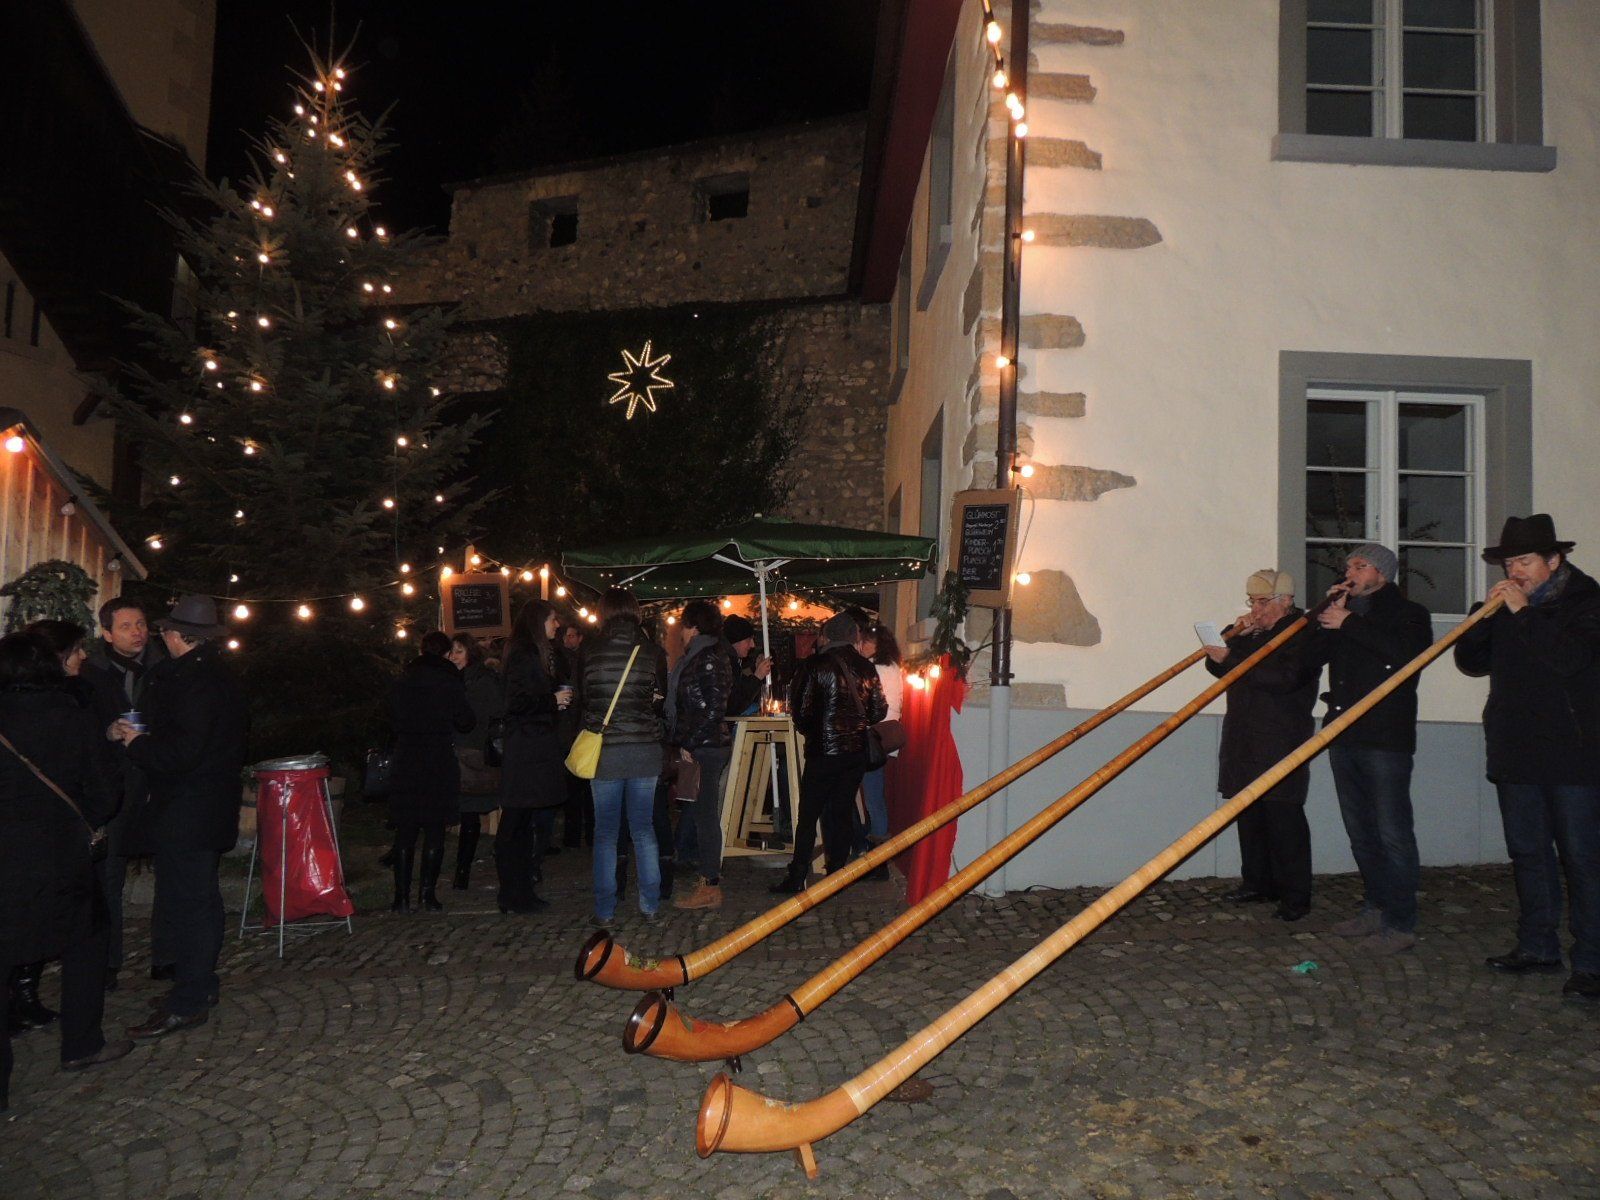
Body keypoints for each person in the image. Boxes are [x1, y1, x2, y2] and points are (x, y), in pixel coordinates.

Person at [1453, 514, 1600, 1001]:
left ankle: (1593, 962)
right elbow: (1471, 663)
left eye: (1524, 561)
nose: (1515, 571)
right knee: (1528, 852)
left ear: (1553, 560)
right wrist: (1481, 620)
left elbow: (1568, 660)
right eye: (1509, 563)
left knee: (1582, 858)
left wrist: (1522, 614)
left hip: (1574, 754)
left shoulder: (1587, 603)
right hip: (1516, 748)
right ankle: (1538, 945)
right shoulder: (1510, 607)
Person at [0, 632, 130, 1111]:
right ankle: (81, 1043)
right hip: (59, 856)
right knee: (87, 942)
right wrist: (84, 822)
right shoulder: (70, 716)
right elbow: (105, 791)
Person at [113, 596, 248, 1039]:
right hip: (197, 809)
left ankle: (189, 999)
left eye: (164, 630)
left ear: (176, 635)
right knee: (195, 901)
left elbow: (183, 752)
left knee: (192, 905)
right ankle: (198, 985)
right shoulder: (209, 674)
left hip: (190, 811)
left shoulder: (196, 681)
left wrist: (138, 744)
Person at [1311, 544, 1432, 954]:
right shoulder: (1344, 612)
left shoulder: (1410, 613)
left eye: (1361, 565)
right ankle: (1376, 907)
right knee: (1361, 831)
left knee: (1392, 832)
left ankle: (1401, 922)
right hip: (1344, 733)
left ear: (1382, 573)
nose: (1351, 571)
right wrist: (1323, 615)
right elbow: (1311, 657)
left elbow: (1404, 656)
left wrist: (1349, 623)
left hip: (1385, 737)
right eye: (1348, 565)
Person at [1204, 571, 1319, 922]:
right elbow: (1221, 668)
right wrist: (1234, 637)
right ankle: (1257, 882)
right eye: (1252, 601)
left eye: (1263, 602)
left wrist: (1232, 658)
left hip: (1280, 736)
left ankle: (1295, 896)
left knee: (1283, 816)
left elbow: (1283, 679)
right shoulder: (1255, 634)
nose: (1256, 608)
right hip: (1245, 734)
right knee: (1249, 813)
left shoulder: (1303, 633)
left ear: (1286, 601)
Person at [77, 599, 167, 992]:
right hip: (114, 785)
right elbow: (80, 732)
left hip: (159, 780)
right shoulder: (92, 673)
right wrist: (108, 733)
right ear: (107, 633)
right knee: (109, 875)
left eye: (141, 623)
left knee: (170, 870)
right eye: (127, 626)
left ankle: (168, 956)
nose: (137, 632)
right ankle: (108, 961)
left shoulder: (163, 668)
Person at [773, 611, 887, 893]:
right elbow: (877, 711)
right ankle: (837, 873)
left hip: (823, 750)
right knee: (843, 810)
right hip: (855, 751)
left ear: (827, 636)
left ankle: (797, 875)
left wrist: (814, 731)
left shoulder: (814, 665)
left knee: (809, 813)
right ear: (853, 636)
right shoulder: (866, 667)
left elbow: (800, 710)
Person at [575, 587, 668, 923]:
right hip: (644, 749)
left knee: (605, 834)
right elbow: (660, 702)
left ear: (603, 613)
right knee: (643, 829)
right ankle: (650, 904)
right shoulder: (652, 652)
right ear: (635, 612)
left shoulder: (589, 651)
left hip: (606, 752)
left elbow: (584, 699)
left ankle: (604, 909)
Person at [385, 631, 474, 914]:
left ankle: (401, 898)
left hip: (407, 759)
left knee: (406, 829)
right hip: (437, 760)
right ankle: (427, 894)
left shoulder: (403, 680)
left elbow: (389, 719)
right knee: (435, 829)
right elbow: (465, 721)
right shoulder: (449, 681)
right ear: (446, 653)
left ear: (421, 650)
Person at [497, 603, 569, 914]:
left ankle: (520, 891)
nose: (557, 625)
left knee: (523, 822)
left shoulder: (532, 652)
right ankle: (513, 892)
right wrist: (551, 700)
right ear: (539, 621)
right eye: (553, 619)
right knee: (516, 822)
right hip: (526, 749)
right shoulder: (524, 654)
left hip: (531, 746)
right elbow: (517, 702)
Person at [668, 600, 733, 910]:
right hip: (702, 744)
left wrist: (690, 743)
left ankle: (710, 884)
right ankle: (707, 879)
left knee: (705, 816)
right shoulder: (702, 656)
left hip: (705, 747)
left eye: (683, 626)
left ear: (693, 628)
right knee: (699, 813)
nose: (681, 633)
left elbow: (713, 708)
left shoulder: (707, 658)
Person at [447, 633, 503, 892]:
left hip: (477, 755)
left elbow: (491, 714)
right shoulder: (454, 679)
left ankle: (467, 870)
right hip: (460, 754)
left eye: (459, 651)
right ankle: (462, 870)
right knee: (468, 813)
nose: (454, 657)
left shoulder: (482, 680)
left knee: (475, 809)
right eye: (451, 652)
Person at [855, 622, 904, 881]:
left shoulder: (873, 667)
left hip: (873, 735)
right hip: (886, 735)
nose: (860, 646)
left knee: (872, 797)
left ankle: (877, 858)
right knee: (874, 795)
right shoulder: (893, 666)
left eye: (865, 641)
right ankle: (875, 854)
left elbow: (869, 704)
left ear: (875, 644)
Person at [557, 623, 594, 849]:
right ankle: (575, 834)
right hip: (572, 731)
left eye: (571, 636)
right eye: (565, 636)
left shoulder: (582, 661)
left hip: (580, 730)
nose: (567, 640)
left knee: (584, 786)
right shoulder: (564, 661)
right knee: (575, 786)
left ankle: (584, 833)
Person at [722, 614, 772, 718]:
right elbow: (734, 705)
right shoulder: (724, 664)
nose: (753, 645)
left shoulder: (733, 662)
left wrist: (757, 673)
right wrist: (757, 676)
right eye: (749, 639)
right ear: (736, 640)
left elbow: (742, 690)